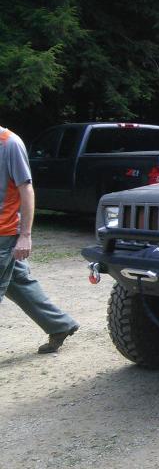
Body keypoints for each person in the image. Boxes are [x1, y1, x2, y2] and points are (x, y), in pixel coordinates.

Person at [0, 126, 79, 353]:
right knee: (18, 282)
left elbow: (26, 189)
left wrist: (25, 236)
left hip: (5, 232)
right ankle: (59, 325)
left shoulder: (10, 144)